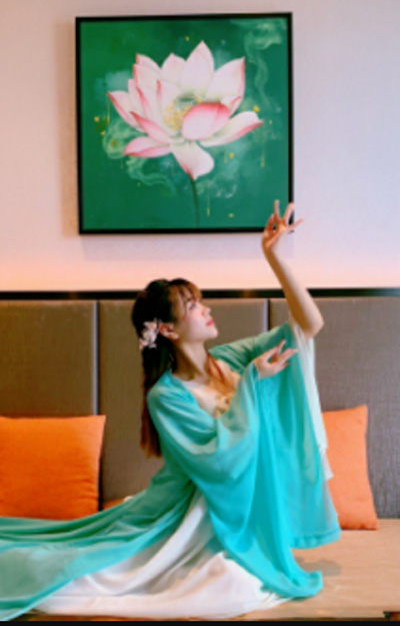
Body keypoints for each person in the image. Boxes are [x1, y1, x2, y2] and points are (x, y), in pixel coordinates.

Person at [0, 201, 341, 621]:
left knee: (234, 584)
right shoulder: (166, 396)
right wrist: (253, 383)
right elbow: (218, 460)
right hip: (186, 512)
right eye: (193, 305)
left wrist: (275, 258)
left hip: (229, 510)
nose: (207, 308)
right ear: (169, 329)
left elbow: (309, 325)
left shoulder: (229, 360)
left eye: (200, 301)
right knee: (77, 572)